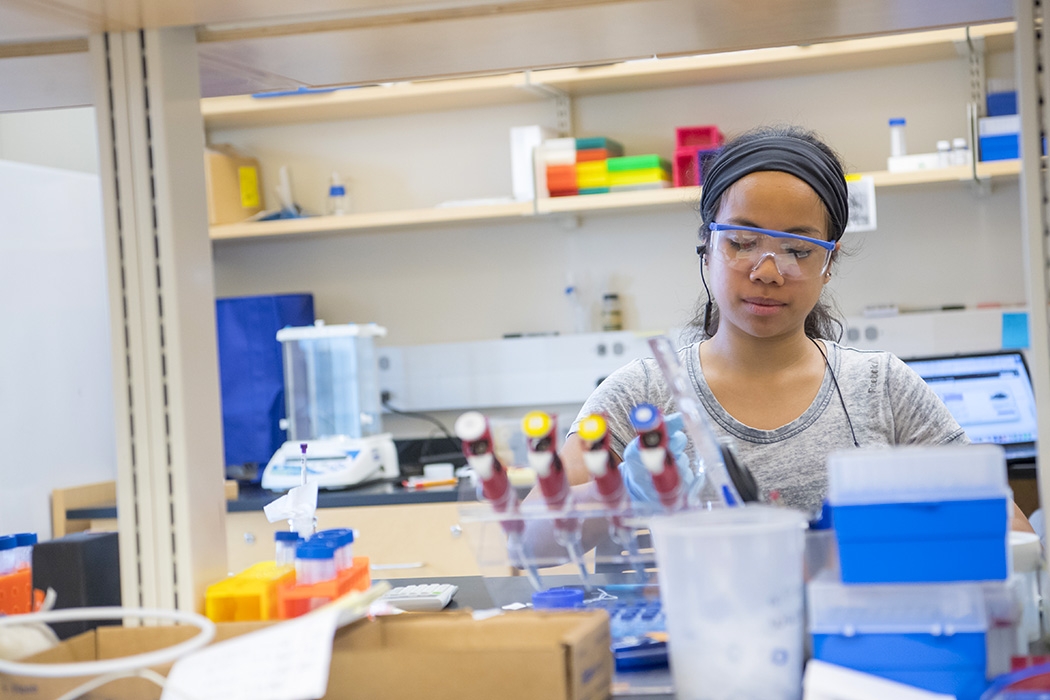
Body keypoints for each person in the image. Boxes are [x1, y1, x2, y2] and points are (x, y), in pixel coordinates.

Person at [556, 124, 1033, 532]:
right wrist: (622, 497)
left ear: (830, 262)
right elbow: (536, 534)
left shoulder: (882, 388)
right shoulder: (642, 394)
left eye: (798, 251)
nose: (767, 271)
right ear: (706, 245)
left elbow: (1008, 527)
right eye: (742, 242)